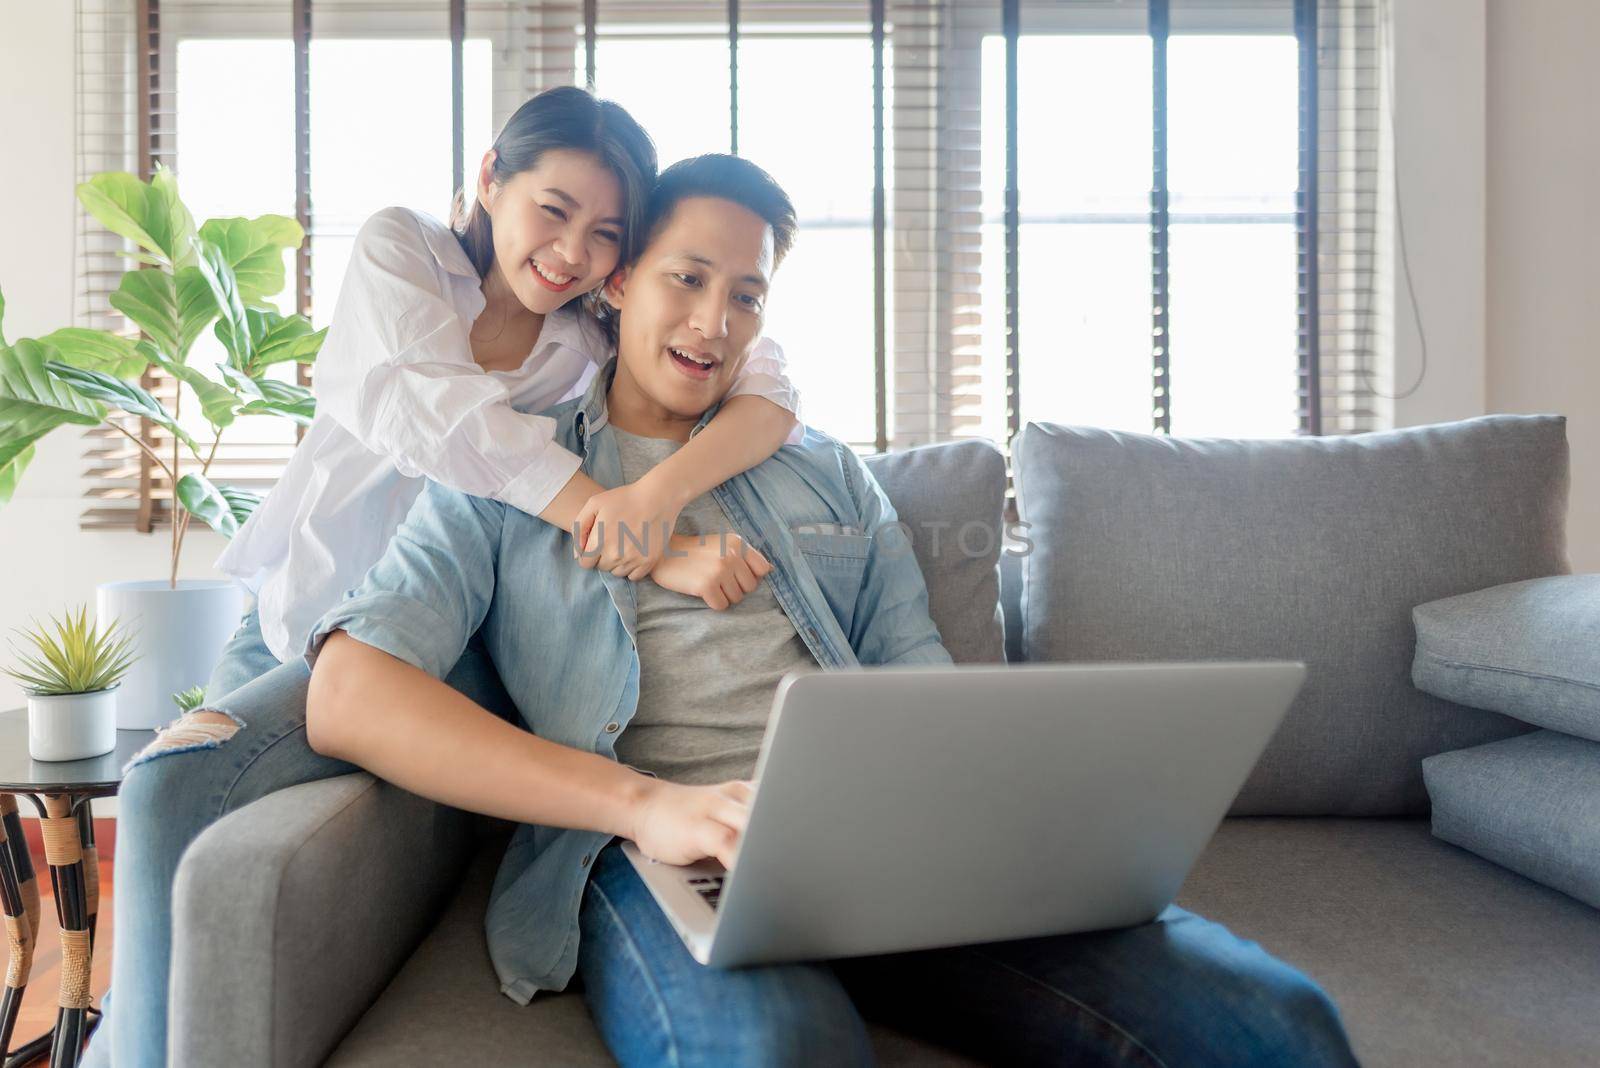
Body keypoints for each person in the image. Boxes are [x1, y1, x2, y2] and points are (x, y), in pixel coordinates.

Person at [302, 154, 1359, 1067]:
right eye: (688, 279)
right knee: (781, 1050)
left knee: (1277, 1022)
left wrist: (991, 812)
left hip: (894, 843)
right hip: (666, 856)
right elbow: (347, 693)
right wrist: (640, 805)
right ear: (617, 283)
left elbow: (909, 659)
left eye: (748, 295)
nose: (715, 323)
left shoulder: (824, 474)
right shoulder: (511, 473)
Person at [83, 88, 802, 1067]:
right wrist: (653, 545)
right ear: (490, 178)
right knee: (171, 793)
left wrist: (660, 495)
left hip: (439, 651)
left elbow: (766, 382)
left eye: (603, 234)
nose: (571, 253)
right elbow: (445, 422)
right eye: (552, 210)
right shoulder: (404, 254)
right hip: (300, 614)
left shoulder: (587, 342)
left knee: (178, 809)